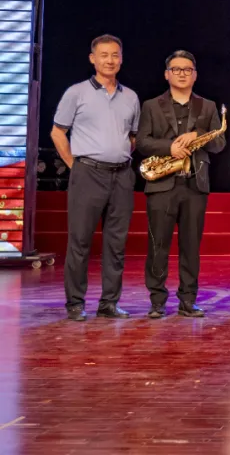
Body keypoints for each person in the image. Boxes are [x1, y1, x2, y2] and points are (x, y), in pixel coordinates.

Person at [51, 34, 141, 321]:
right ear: (93, 59)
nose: (110, 60)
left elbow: (133, 137)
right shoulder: (76, 92)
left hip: (122, 176)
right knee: (80, 241)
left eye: (115, 55)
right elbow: (57, 132)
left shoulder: (131, 97)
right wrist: (74, 164)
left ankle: (109, 303)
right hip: (87, 173)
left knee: (116, 243)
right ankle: (75, 303)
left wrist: (119, 154)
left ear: (121, 59)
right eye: (104, 55)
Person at [135, 50, 226, 318]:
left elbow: (219, 143)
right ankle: (157, 301)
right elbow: (142, 142)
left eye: (187, 69)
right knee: (158, 246)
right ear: (167, 74)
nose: (182, 74)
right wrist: (170, 147)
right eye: (176, 69)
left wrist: (198, 134)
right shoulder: (151, 105)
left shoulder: (208, 106)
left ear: (195, 75)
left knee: (191, 247)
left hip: (195, 184)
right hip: (161, 184)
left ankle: (188, 300)